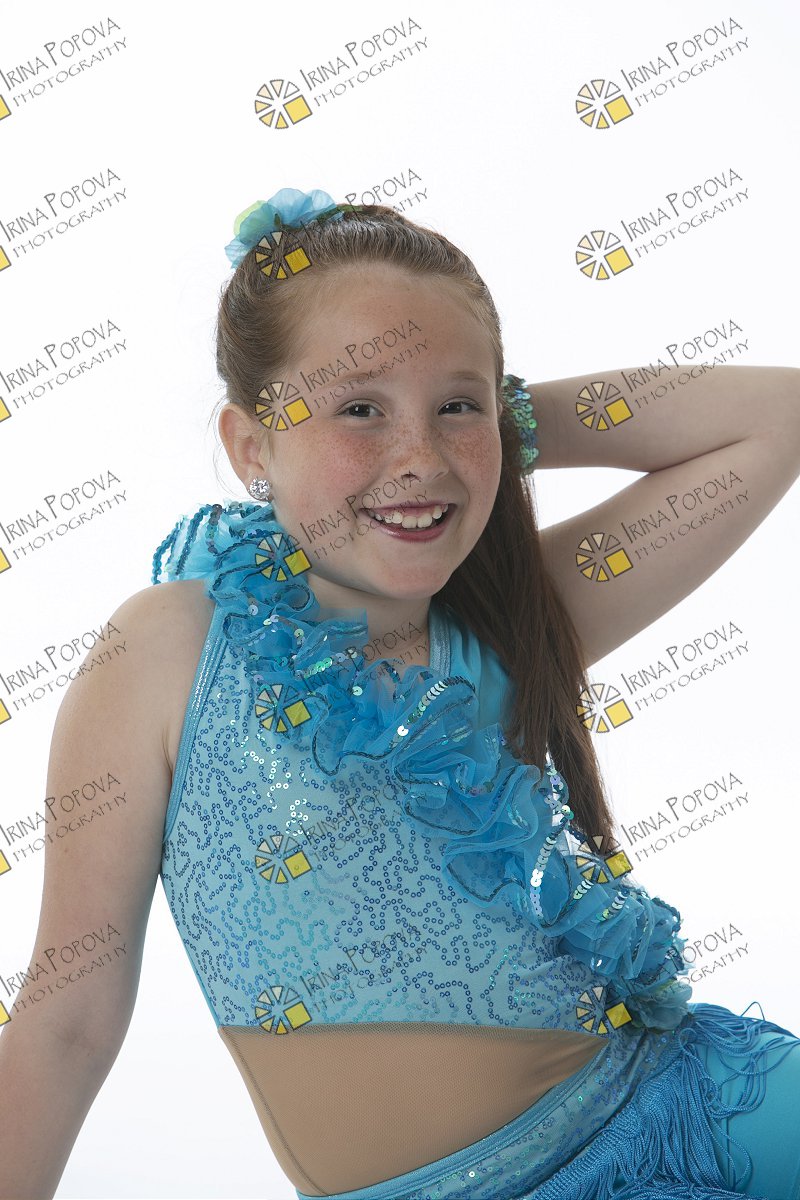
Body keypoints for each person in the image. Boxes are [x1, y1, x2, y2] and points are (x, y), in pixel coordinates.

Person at [1, 188, 799, 1200]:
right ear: (251, 447)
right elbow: (68, 1022)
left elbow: (777, 417)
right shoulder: (166, 650)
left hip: (690, 1101)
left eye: (455, 408)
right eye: (359, 409)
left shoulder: (507, 627)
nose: (419, 458)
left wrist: (504, 421)